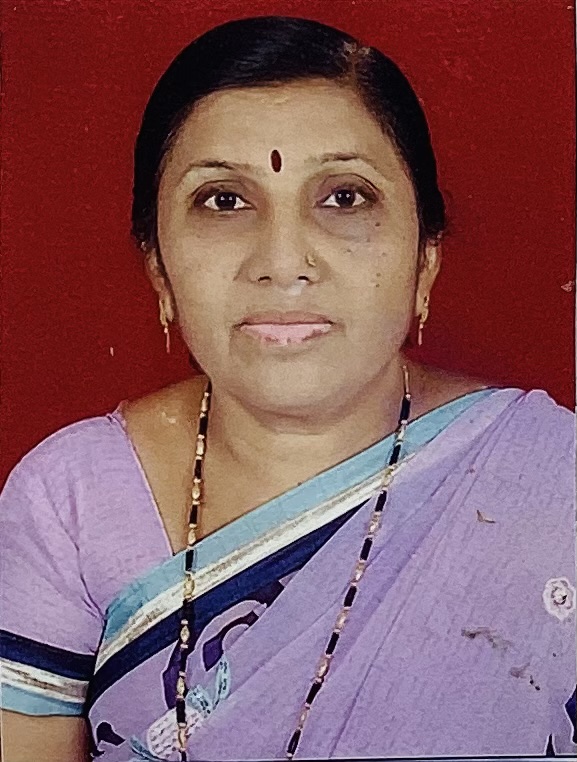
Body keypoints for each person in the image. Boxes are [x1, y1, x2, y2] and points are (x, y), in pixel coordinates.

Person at [0, 15, 574, 762]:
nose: (283, 260)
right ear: (158, 268)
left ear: (424, 260)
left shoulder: (552, 483)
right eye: (223, 201)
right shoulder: (70, 503)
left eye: (344, 198)